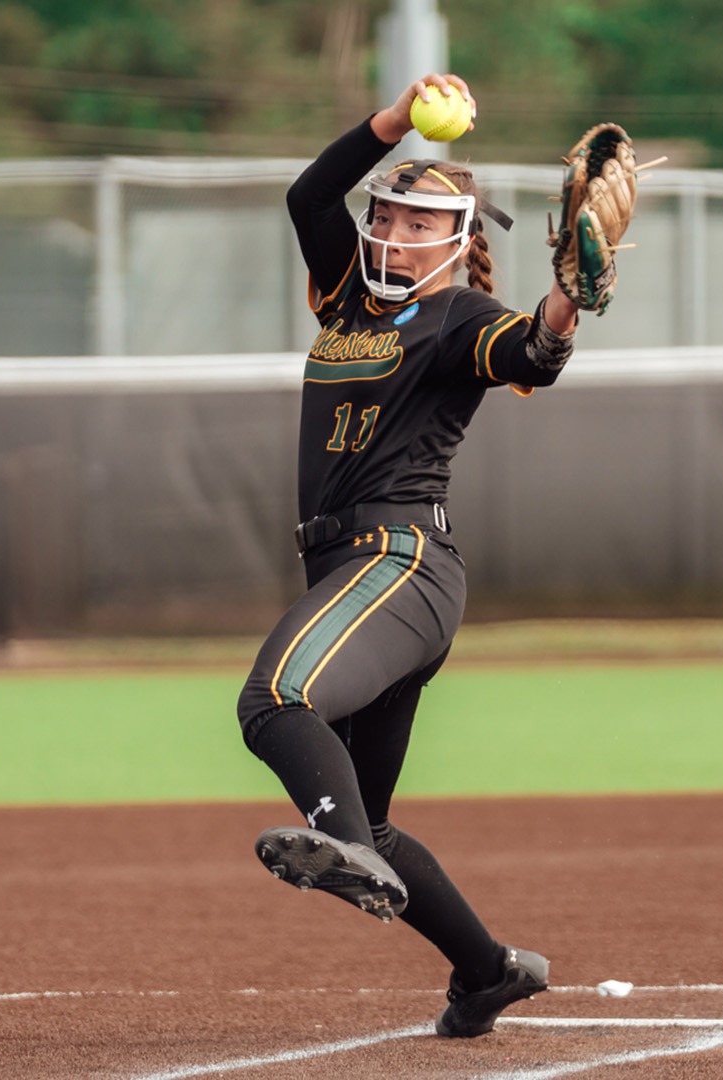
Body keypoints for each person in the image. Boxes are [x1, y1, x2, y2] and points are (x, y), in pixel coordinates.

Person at [235, 73, 580, 1039]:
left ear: (465, 242)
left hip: (398, 561)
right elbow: (310, 196)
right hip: (350, 572)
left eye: (421, 221)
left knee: (274, 703)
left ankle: (340, 847)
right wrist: (391, 122)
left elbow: (536, 356)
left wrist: (569, 298)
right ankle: (487, 972)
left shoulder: (460, 319)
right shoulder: (345, 297)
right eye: (388, 209)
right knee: (373, 820)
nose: (392, 227)